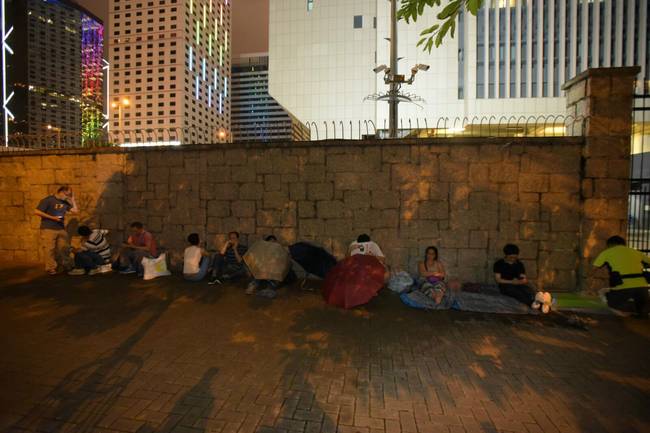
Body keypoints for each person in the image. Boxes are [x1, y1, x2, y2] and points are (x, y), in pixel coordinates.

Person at [593, 235, 649, 319]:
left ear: (610, 245)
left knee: (602, 292)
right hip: (643, 287)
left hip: (623, 288)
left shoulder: (606, 252)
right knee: (642, 309)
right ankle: (641, 310)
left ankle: (625, 310)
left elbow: (593, 269)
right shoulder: (636, 252)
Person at [493, 244, 552, 313]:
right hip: (505, 284)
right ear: (506, 255)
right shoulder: (499, 264)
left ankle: (541, 301)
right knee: (516, 292)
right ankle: (533, 304)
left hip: (518, 283)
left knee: (527, 289)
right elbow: (498, 279)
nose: (513, 259)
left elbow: (523, 277)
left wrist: (521, 281)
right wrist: (512, 282)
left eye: (515, 257)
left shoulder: (519, 264)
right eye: (511, 257)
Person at [34, 185, 78, 275]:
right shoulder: (48, 200)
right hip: (48, 228)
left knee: (64, 247)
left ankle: (67, 265)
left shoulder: (65, 202)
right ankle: (51, 268)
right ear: (61, 192)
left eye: (69, 195)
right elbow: (37, 211)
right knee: (49, 249)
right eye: (67, 195)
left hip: (60, 228)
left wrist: (73, 199)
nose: (68, 197)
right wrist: (52, 218)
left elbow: (75, 211)